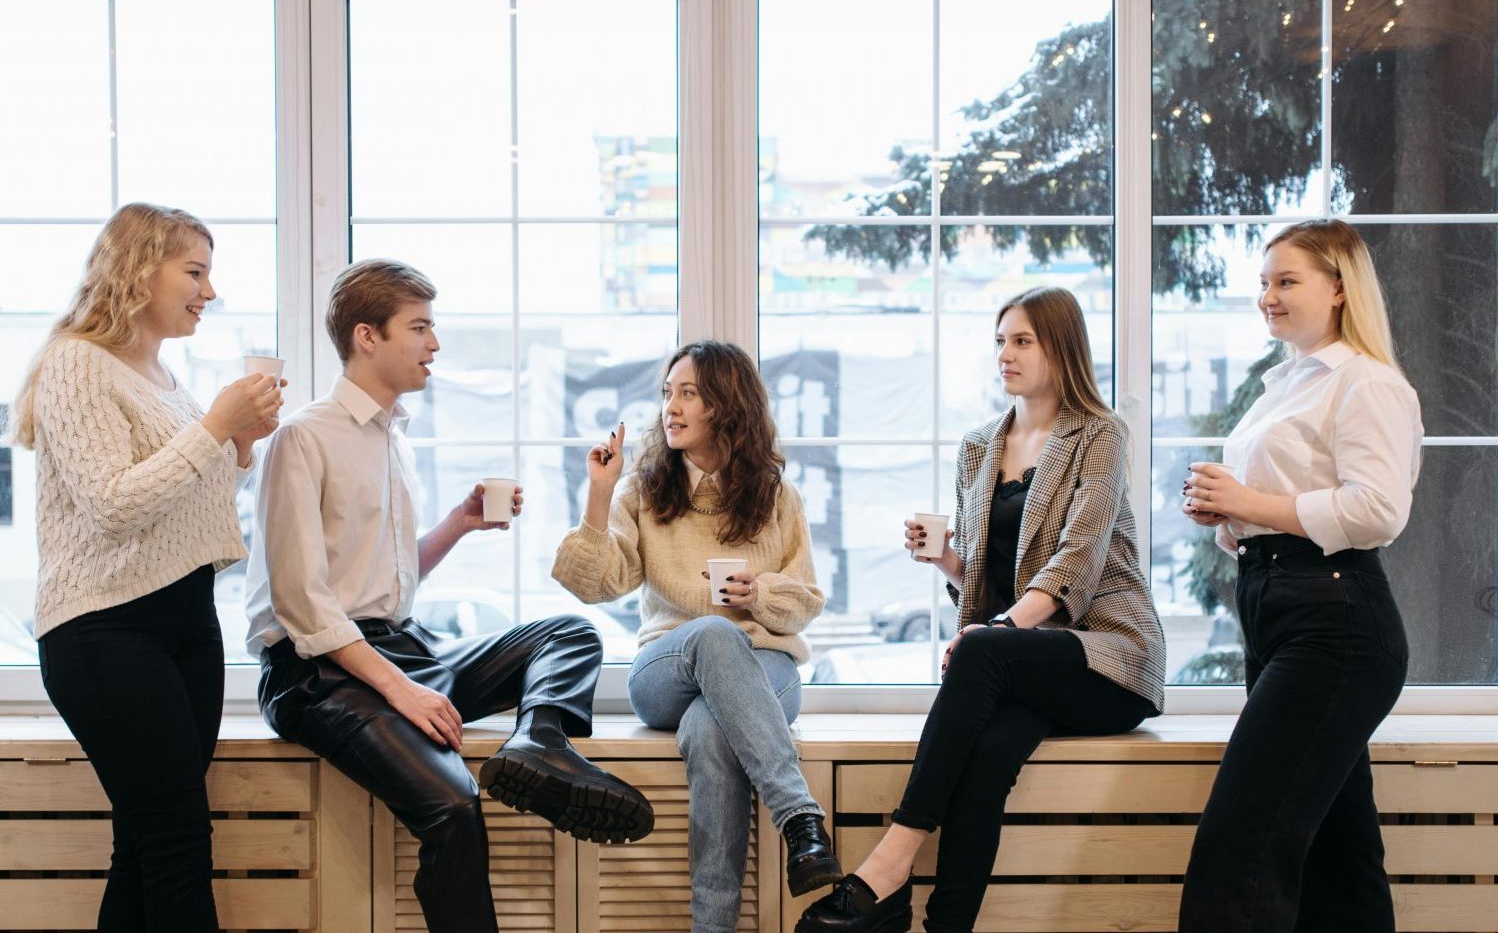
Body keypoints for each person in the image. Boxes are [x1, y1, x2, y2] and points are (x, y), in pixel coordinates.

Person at [246, 259, 653, 933]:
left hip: (397, 649)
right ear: (367, 336)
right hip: (315, 674)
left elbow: (385, 580)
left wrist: (460, 524)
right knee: (455, 804)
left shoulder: (392, 439)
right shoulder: (304, 438)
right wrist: (404, 692)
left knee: (570, 634)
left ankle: (540, 744)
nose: (434, 344)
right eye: (421, 328)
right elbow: (304, 603)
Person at [798, 286, 1166, 933]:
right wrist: (945, 561)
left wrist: (992, 634)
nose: (1005, 354)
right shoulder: (979, 446)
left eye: (1022, 340)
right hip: (1025, 660)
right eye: (1001, 341)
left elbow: (1075, 564)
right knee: (990, 753)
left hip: (1107, 657)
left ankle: (890, 864)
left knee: (982, 652)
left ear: (1061, 347)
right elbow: (991, 583)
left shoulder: (1100, 436)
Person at [12, 202, 283, 931]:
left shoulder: (159, 372)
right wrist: (216, 427)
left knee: (144, 844)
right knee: (176, 845)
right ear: (138, 270)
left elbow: (179, 496)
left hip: (183, 624)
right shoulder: (76, 363)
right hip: (106, 633)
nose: (210, 290)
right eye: (194, 271)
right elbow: (112, 504)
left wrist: (239, 445)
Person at [1177, 219, 1420, 932]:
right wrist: (1229, 518)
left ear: (1340, 289)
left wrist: (1249, 502)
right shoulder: (1282, 384)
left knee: (1241, 846)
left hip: (1335, 624)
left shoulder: (1366, 383)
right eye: (1263, 283)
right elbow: (1281, 508)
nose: (1268, 298)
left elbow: (1377, 511)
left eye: (1287, 281)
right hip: (1280, 608)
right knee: (1337, 859)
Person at [552, 339, 842, 933]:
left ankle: (713, 927)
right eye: (667, 393)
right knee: (711, 633)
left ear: (726, 406)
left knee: (711, 732)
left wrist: (758, 594)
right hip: (666, 670)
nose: (671, 408)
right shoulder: (643, 490)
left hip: (764, 669)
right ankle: (799, 819)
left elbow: (806, 601)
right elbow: (595, 582)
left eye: (689, 393)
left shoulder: (777, 495)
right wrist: (600, 492)